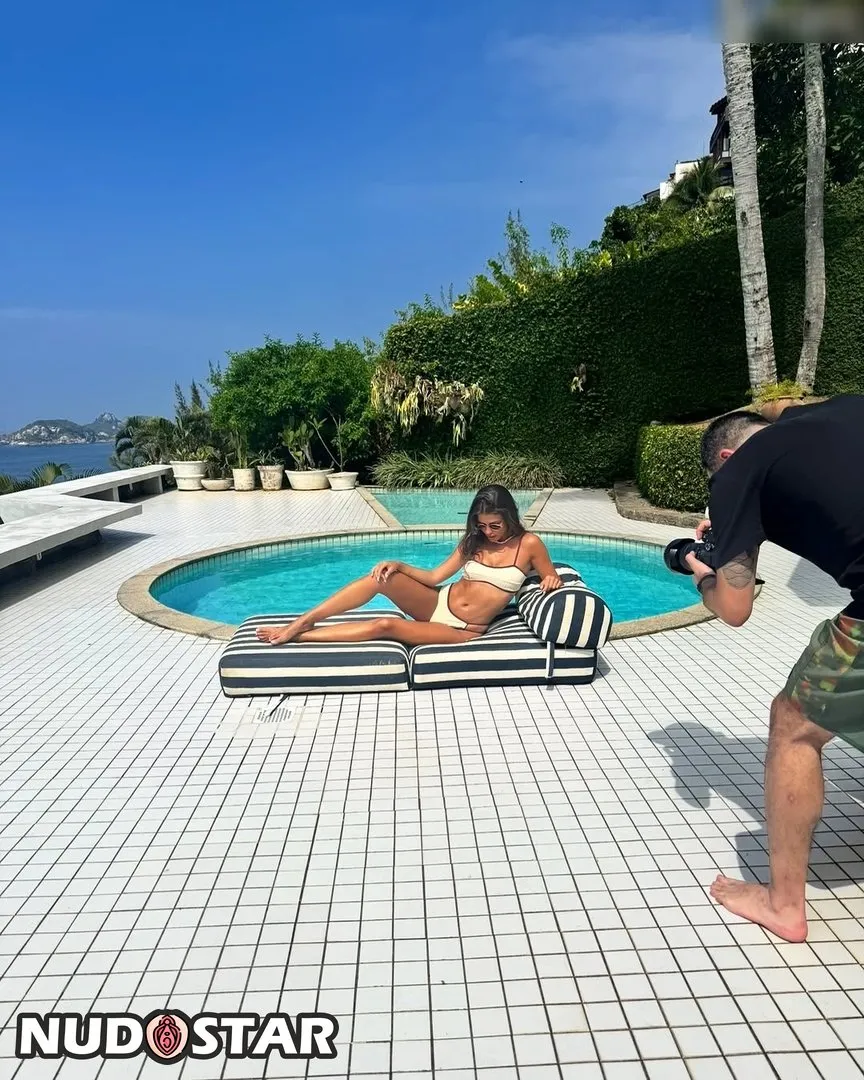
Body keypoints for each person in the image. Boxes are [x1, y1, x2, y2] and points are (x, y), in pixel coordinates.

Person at [685, 394, 864, 942]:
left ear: (725, 457)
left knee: (794, 725)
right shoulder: (842, 408)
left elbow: (735, 609)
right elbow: (781, 405)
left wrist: (702, 569)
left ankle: (784, 905)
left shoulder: (737, 472)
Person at [257, 484, 562, 647]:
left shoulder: (529, 544)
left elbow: (551, 576)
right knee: (381, 578)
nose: (488, 532)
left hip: (463, 629)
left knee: (385, 626)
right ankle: (302, 621)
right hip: (438, 601)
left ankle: (299, 636)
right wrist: (399, 565)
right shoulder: (474, 541)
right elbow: (435, 577)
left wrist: (550, 580)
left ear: (510, 517)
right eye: (481, 525)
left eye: (495, 525)